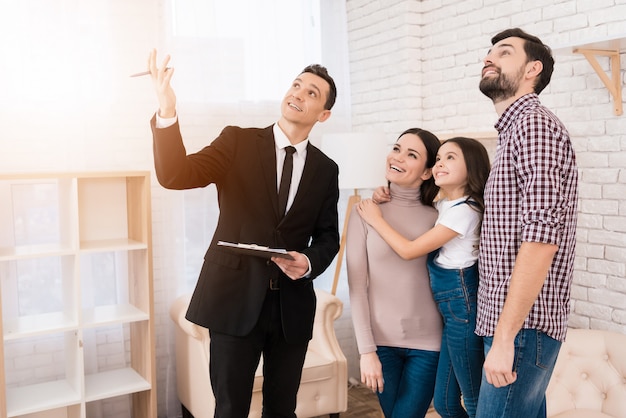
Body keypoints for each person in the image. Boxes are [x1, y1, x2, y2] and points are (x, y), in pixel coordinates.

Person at [147, 49, 341, 418]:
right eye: (296, 85)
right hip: (234, 301)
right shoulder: (236, 142)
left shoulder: (326, 169)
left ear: (324, 114)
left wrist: (309, 261)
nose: (298, 94)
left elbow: (329, 236)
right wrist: (167, 109)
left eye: (311, 93)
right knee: (230, 409)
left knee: (282, 409)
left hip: (291, 309)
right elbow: (174, 175)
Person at [474, 28, 578, 417]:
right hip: (513, 325)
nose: (489, 58)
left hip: (520, 327)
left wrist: (505, 337)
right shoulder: (513, 131)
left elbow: (541, 238)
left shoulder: (533, 126)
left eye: (503, 52)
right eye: (488, 53)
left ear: (533, 68)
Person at [358, 136, 490, 418]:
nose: (441, 163)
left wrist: (377, 219)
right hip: (446, 313)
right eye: (439, 158)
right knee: (444, 404)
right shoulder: (444, 208)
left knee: (474, 398)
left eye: (450, 158)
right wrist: (384, 195)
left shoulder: (465, 211)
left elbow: (408, 250)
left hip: (460, 309)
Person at [346, 128, 443, 418]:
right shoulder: (363, 211)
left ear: (427, 172)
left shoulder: (440, 216)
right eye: (397, 148)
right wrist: (366, 351)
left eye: (412, 154)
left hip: (429, 344)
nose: (397, 157)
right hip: (381, 343)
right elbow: (357, 287)